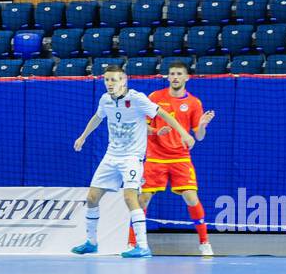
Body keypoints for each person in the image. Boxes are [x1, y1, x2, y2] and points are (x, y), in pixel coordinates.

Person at [70, 64, 195, 259]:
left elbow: (162, 114)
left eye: (114, 80)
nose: (110, 84)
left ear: (124, 81)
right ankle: (91, 242)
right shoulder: (105, 100)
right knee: (92, 198)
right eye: (107, 80)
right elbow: (97, 117)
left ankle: (143, 247)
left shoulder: (137, 99)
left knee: (130, 197)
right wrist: (83, 136)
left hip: (131, 157)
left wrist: (183, 133)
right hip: (111, 156)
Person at [130, 62, 216, 256]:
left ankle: (204, 243)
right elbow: (142, 126)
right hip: (155, 157)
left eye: (179, 74)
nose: (175, 77)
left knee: (191, 197)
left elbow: (198, 137)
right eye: (172, 74)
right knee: (142, 199)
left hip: (180, 158)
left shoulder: (194, 103)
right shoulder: (155, 97)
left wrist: (202, 125)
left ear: (187, 78)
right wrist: (156, 131)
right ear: (167, 77)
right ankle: (132, 243)